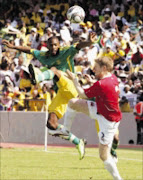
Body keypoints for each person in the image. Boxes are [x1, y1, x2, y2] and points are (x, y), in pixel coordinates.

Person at [2, 33, 96, 160]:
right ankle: (78, 142)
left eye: (56, 44)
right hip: (62, 92)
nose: (53, 47)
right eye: (51, 45)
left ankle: (38, 77)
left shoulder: (66, 51)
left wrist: (89, 42)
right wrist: (13, 47)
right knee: (51, 124)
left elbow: (79, 45)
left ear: (59, 45)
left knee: (53, 70)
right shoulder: (44, 55)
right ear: (47, 46)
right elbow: (29, 50)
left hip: (72, 85)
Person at [53, 56, 123, 180]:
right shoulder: (112, 78)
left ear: (104, 68)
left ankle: (118, 178)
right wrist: (92, 82)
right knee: (73, 103)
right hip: (101, 109)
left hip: (108, 121)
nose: (93, 69)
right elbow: (103, 89)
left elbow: (83, 94)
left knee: (104, 156)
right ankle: (65, 130)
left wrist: (74, 79)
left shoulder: (103, 83)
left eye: (96, 68)